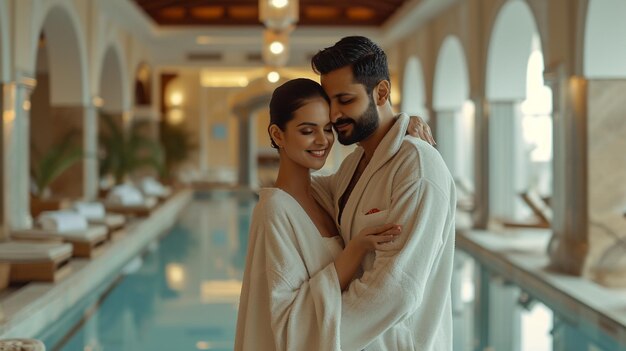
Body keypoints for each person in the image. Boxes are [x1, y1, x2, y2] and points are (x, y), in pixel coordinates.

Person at [310, 36, 456, 350]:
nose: (334, 115)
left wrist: (313, 337)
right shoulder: (353, 165)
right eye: (329, 102)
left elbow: (396, 288)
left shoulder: (417, 167)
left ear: (382, 92)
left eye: (345, 100)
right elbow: (302, 191)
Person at [235, 78, 404, 351]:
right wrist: (356, 249)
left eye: (327, 129)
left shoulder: (325, 193)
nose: (322, 140)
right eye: (307, 130)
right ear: (278, 135)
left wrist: (407, 127)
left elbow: (374, 161)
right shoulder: (275, 209)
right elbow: (286, 316)